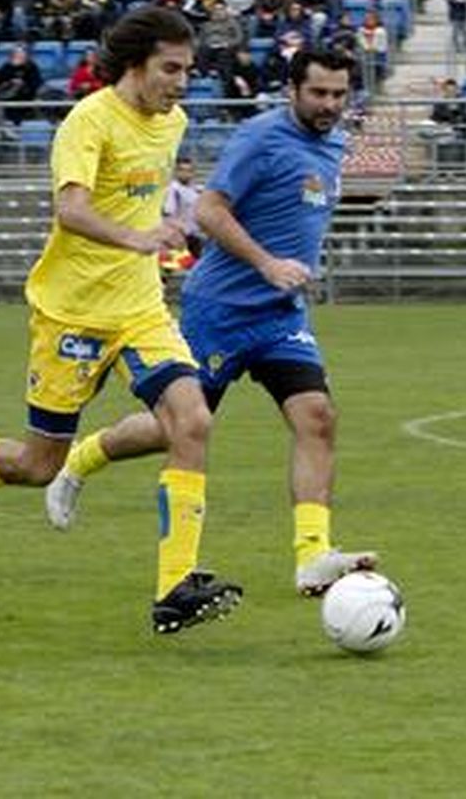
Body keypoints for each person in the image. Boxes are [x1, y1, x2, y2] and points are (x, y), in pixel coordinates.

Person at [0, 7, 242, 635]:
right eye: (171, 69)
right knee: (39, 466)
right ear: (136, 64)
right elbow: (73, 211)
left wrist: (161, 242)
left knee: (192, 420)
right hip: (72, 314)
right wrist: (137, 239)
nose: (182, 82)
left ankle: (174, 588)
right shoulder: (88, 122)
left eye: (188, 70)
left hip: (139, 310)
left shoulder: (174, 123)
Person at [44, 49, 378, 598]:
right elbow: (209, 211)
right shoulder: (260, 138)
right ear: (292, 89)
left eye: (339, 94)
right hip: (220, 310)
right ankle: (79, 460)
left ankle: (313, 556)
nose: (329, 104)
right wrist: (268, 263)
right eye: (318, 93)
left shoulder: (338, 144)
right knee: (169, 429)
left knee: (317, 417)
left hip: (279, 317)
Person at [162, 156, 204, 264]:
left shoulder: (195, 190)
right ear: (176, 172)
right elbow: (168, 214)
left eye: (189, 170)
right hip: (180, 238)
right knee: (179, 269)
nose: (185, 173)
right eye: (182, 170)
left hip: (194, 237)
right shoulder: (173, 189)